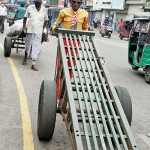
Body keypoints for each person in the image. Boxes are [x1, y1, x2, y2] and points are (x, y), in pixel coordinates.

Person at [52, 0, 88, 107]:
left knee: (70, 68)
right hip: (63, 40)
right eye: (74, 1)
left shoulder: (85, 14)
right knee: (60, 68)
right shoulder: (64, 12)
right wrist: (55, 29)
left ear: (81, 3)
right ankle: (57, 95)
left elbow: (85, 28)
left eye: (79, 2)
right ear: (70, 2)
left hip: (75, 42)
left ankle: (65, 92)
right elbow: (56, 24)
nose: (76, 4)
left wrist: (85, 34)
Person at [22, 0, 48, 71]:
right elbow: (25, 18)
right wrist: (24, 27)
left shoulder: (44, 10)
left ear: (41, 3)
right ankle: (25, 58)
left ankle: (33, 64)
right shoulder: (30, 8)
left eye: (38, 3)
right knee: (28, 45)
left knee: (37, 46)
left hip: (39, 31)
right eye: (36, 3)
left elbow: (46, 21)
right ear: (34, 3)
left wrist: (43, 30)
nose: (37, 5)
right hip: (30, 30)